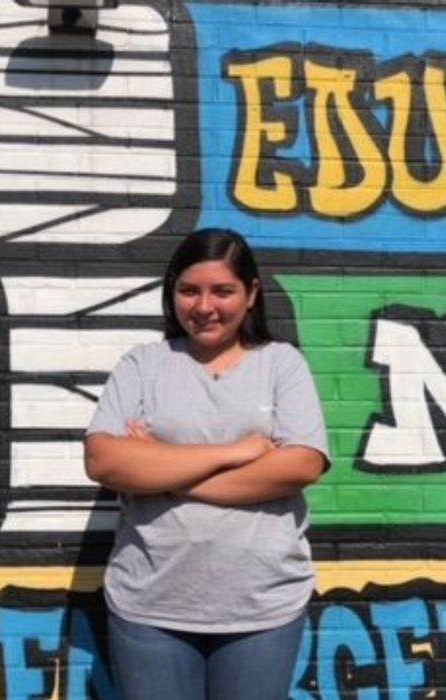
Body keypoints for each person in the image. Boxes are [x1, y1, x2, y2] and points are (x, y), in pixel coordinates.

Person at [84, 228, 330, 700]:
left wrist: (160, 465)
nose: (204, 306)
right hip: (150, 604)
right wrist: (233, 453)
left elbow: (301, 465)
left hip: (262, 606)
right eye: (189, 290)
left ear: (251, 294)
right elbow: (103, 459)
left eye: (222, 291)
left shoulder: (281, 364)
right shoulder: (143, 364)